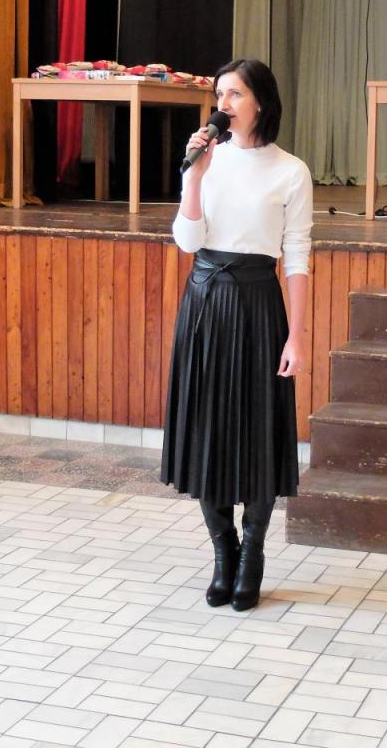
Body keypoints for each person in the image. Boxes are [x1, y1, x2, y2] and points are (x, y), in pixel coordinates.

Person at [162, 58, 313, 612]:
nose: (222, 104)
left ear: (261, 103)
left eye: (235, 94)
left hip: (257, 305)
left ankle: (253, 555)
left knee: (257, 431)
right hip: (204, 304)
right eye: (219, 94)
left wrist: (297, 336)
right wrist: (194, 176)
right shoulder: (207, 160)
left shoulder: (290, 171)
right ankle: (223, 553)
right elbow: (187, 241)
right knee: (208, 430)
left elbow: (296, 257)